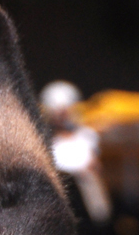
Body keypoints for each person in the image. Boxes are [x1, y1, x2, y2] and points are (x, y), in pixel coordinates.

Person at [38, 80, 112, 225]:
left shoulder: (86, 136)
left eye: (64, 112)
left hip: (83, 201)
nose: (61, 116)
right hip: (56, 199)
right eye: (57, 112)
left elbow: (93, 164)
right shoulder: (43, 140)